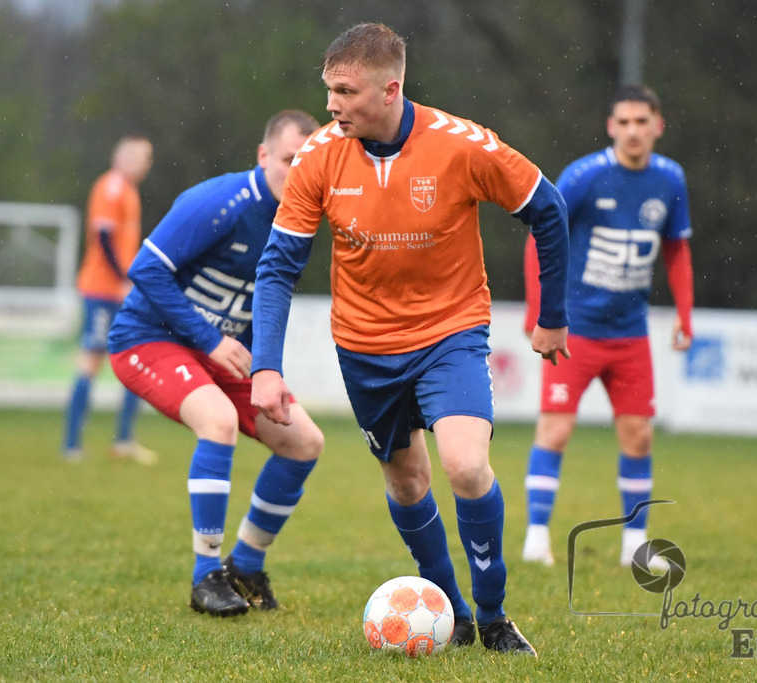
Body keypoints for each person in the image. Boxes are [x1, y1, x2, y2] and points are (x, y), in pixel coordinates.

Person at [250, 23, 570, 656]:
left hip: (450, 332)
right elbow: (278, 267)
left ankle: (494, 616)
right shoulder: (318, 156)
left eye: (346, 92)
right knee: (406, 482)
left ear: (390, 90)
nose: (331, 105)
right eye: (329, 90)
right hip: (364, 347)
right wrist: (266, 366)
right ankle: (451, 612)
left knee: (466, 466)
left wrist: (553, 315)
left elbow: (548, 208)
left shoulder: (461, 145)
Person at [107, 110, 324, 617]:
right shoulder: (219, 200)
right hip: (147, 339)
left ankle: (244, 566)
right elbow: (146, 269)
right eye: (289, 159)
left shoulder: (301, 219)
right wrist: (208, 340)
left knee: (304, 442)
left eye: (309, 164)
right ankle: (205, 576)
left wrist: (267, 369)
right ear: (263, 155)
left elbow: (266, 302)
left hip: (221, 352)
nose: (299, 172)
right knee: (219, 421)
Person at [521, 84, 694, 569]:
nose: (633, 131)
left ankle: (634, 545)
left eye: (642, 121)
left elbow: (677, 249)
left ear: (658, 126)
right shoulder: (584, 176)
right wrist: (540, 312)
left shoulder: (670, 179)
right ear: (611, 127)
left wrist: (685, 314)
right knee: (555, 431)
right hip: (574, 331)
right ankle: (536, 538)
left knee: (639, 436)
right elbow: (540, 238)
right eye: (624, 122)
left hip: (630, 333)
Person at [63, 135, 157, 464]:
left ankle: (123, 441)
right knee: (92, 360)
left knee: (134, 359)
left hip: (119, 291)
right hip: (102, 291)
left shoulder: (128, 190)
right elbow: (102, 235)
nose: (147, 164)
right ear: (125, 158)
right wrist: (122, 277)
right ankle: (72, 444)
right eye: (143, 157)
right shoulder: (113, 186)